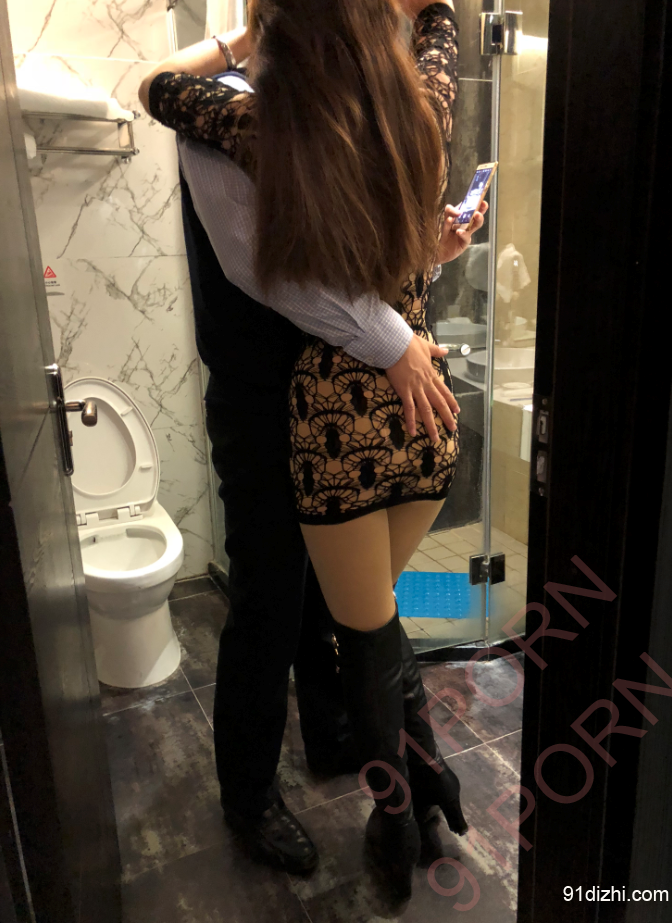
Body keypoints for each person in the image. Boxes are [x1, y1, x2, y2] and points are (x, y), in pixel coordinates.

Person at [140, 0, 486, 898]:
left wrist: (426, 257)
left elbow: (357, 263)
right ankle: (251, 794)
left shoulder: (336, 115)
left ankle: (345, 738)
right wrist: (396, 338)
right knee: (270, 596)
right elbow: (277, 278)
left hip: (347, 399)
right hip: (266, 401)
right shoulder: (229, 121)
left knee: (346, 606)